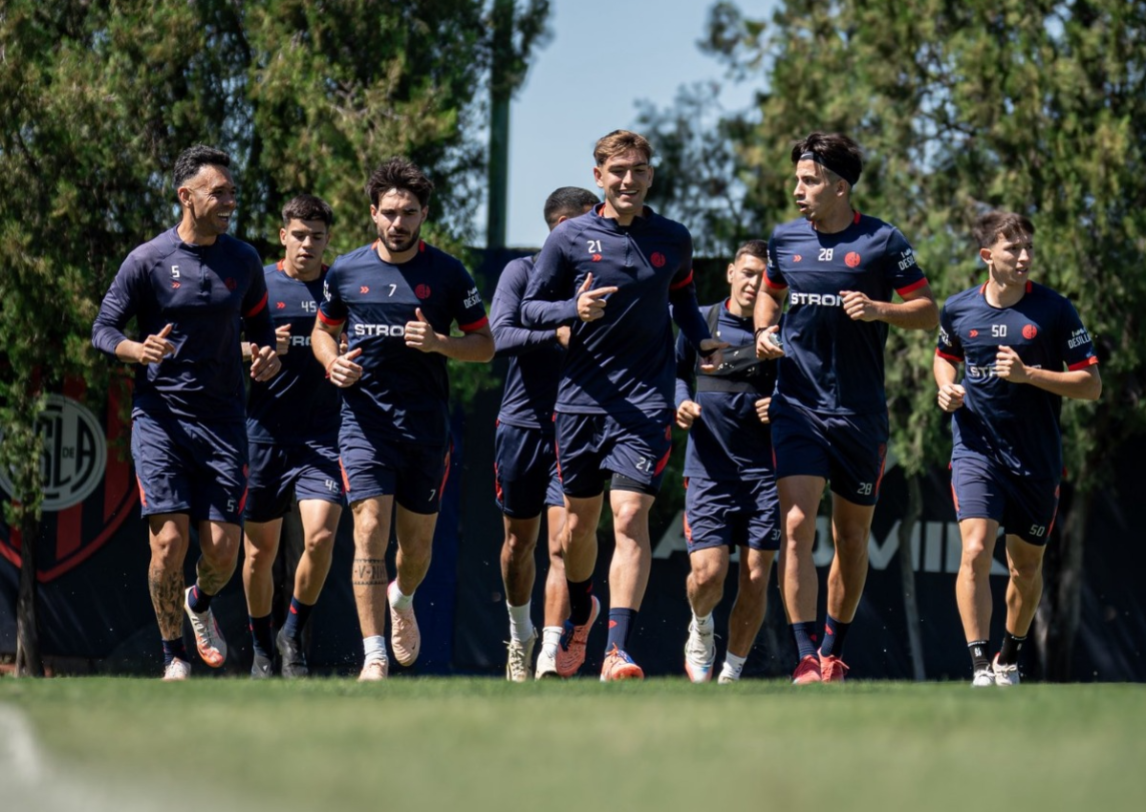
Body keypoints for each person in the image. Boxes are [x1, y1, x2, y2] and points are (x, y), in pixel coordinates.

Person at [520, 130, 725, 681]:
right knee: (576, 529)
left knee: (630, 517)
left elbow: (682, 297)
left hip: (645, 403)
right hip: (580, 403)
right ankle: (581, 611)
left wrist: (700, 338)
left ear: (650, 176)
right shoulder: (569, 239)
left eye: (638, 170)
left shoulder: (673, 238)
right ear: (598, 177)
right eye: (617, 171)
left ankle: (616, 650)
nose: (628, 180)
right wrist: (573, 308)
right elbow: (531, 309)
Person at [754, 131, 938, 684]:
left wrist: (880, 309)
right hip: (797, 404)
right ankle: (805, 655)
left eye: (809, 181)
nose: (797, 190)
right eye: (796, 180)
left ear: (839, 186)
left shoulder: (882, 240)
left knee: (851, 538)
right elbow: (769, 292)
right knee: (795, 525)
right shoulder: (785, 239)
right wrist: (764, 330)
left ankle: (833, 650)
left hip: (860, 414)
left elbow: (927, 311)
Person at [92, 145, 281, 680]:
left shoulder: (243, 260)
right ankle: (174, 655)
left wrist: (265, 356)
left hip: (223, 422)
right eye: (217, 193)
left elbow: (260, 327)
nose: (229, 202)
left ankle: (199, 602)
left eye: (232, 192)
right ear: (186, 196)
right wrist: (137, 349)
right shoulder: (147, 260)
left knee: (223, 553)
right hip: (161, 420)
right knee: (170, 541)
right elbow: (103, 329)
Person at [312, 157, 494, 681]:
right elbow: (324, 331)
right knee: (369, 528)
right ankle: (373, 655)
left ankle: (403, 596)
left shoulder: (448, 274)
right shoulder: (345, 271)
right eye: (389, 212)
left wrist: (439, 342)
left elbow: (484, 345)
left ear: (424, 215)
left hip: (425, 429)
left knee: (414, 550)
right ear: (373, 213)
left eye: (409, 212)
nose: (398, 222)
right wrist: (331, 362)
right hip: (364, 425)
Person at [934, 211, 1100, 687]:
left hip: (1035, 459)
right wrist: (946, 387)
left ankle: (1008, 657)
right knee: (974, 550)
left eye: (1029, 248)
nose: (1024, 256)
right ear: (987, 255)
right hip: (976, 450)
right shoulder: (958, 308)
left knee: (1025, 568)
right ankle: (979, 667)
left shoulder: (1055, 310)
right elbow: (945, 357)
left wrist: (1030, 376)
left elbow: (1091, 385)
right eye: (1013, 249)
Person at [490, 186, 598, 682]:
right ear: (561, 227)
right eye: (586, 224)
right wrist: (554, 331)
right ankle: (521, 634)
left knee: (562, 543)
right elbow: (498, 335)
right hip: (522, 425)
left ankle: (550, 652)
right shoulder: (523, 271)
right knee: (518, 545)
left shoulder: (602, 280)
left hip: (576, 427)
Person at [242, 195, 344, 679]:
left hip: (324, 437)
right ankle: (261, 648)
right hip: (264, 437)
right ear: (283, 235)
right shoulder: (259, 284)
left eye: (316, 237)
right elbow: (223, 343)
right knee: (258, 554)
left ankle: (292, 635)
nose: (307, 245)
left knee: (320, 537)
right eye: (299, 235)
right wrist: (257, 348)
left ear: (328, 241)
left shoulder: (339, 286)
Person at [675, 240, 780, 684]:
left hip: (765, 476)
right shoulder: (701, 322)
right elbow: (675, 373)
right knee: (708, 574)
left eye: (765, 276)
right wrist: (680, 402)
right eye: (748, 272)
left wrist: (782, 405)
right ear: (731, 273)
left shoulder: (781, 333)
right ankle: (700, 627)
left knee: (755, 577)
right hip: (708, 472)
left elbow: (806, 392)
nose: (755, 283)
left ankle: (731, 674)